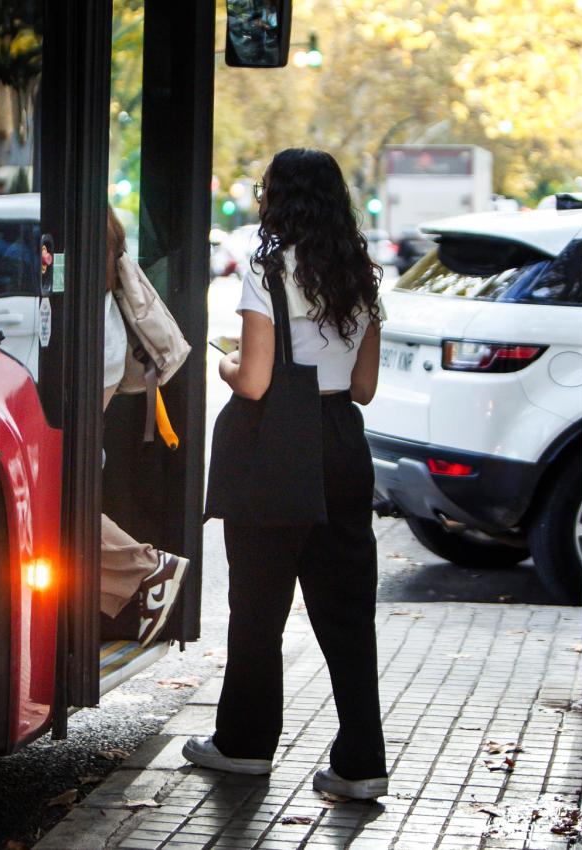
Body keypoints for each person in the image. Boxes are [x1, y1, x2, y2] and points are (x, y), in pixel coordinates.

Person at [182, 148, 388, 800]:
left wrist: (224, 365)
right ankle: (361, 764)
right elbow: (363, 387)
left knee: (258, 610)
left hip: (276, 448)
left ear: (278, 198)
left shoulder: (268, 270)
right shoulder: (360, 275)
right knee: (349, 615)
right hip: (341, 446)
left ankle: (244, 746)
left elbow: (256, 379)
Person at [100, 207, 189, 647]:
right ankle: (142, 569)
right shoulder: (105, 230)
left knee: (52, 504)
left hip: (98, 368)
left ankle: (144, 567)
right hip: (108, 366)